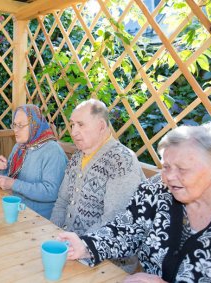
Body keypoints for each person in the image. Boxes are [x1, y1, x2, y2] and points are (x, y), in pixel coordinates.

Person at [58, 124, 211, 282]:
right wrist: (86, 246)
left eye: (182, 169)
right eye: (166, 167)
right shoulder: (157, 189)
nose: (169, 177)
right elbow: (126, 231)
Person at [50, 99, 145, 271]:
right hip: (70, 250)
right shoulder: (78, 157)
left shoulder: (122, 161)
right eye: (72, 125)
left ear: (101, 126)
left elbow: (115, 220)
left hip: (107, 263)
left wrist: (81, 247)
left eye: (80, 125)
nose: (73, 132)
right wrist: (53, 235)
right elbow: (62, 201)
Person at [0, 104, 67, 219]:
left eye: (21, 125)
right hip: (17, 211)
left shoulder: (53, 151)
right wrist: (2, 169)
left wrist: (14, 184)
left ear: (35, 124)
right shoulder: (20, 147)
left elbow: (52, 192)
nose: (15, 130)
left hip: (39, 220)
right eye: (14, 125)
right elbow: (7, 181)